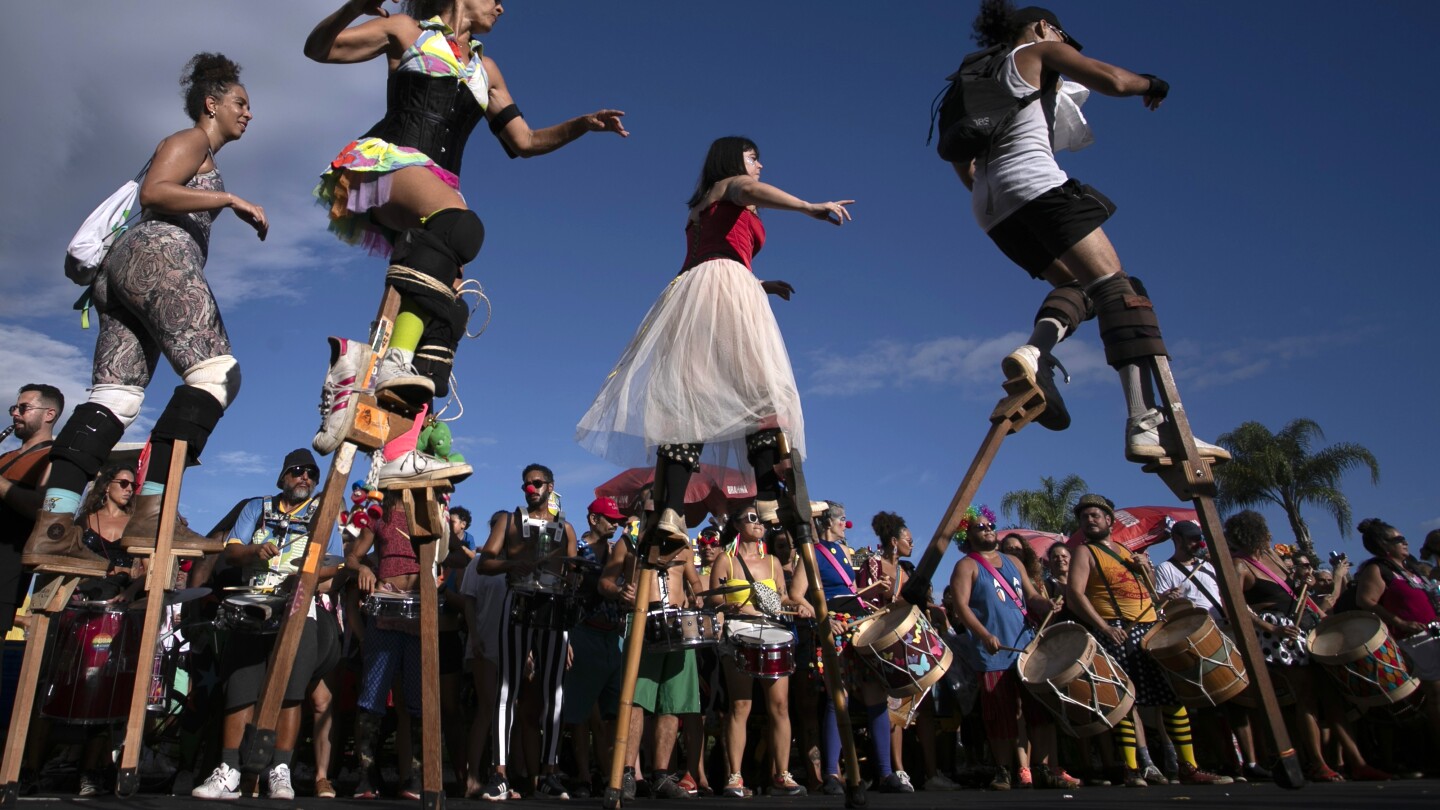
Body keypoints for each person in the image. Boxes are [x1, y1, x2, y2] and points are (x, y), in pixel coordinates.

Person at [304, 0, 628, 454]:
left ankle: (399, 444)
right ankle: (390, 362)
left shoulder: (486, 68)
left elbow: (525, 140)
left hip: (438, 185)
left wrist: (581, 125)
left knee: (450, 306)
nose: (500, 6)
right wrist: (356, 6)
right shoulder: (406, 32)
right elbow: (320, 49)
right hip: (390, 161)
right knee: (461, 226)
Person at [950, 2, 1227, 464]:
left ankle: (1035, 353)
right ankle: (1146, 424)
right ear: (1042, 27)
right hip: (1036, 184)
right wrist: (1154, 83)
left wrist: (993, 190)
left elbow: (963, 161)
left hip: (990, 208)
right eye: (1059, 33)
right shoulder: (1037, 50)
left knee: (1079, 287)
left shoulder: (977, 79)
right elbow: (1112, 79)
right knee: (1121, 291)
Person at [26, 54, 265, 575]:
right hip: (157, 252)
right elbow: (156, 190)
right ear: (212, 103)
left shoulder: (196, 146)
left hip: (121, 274)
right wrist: (231, 199)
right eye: (240, 103)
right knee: (216, 373)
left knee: (115, 397)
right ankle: (154, 512)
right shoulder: (191, 140)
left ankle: (55, 527)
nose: (249, 114)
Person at [576, 135, 852, 546]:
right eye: (753, 157)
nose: (759, 166)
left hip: (698, 289)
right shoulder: (732, 186)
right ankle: (768, 488)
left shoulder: (700, 206)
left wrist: (759, 283)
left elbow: (703, 257)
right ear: (732, 159)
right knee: (761, 389)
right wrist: (809, 207)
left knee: (693, 398)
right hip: (723, 288)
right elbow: (752, 191)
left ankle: (670, 509)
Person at [191, 450, 343, 800]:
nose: (305, 477)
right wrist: (253, 553)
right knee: (240, 688)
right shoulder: (256, 508)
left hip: (297, 607)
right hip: (252, 605)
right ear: (282, 477)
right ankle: (228, 770)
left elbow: (334, 565)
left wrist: (302, 578)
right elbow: (231, 550)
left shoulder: (323, 515)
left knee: (291, 691)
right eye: (297, 471)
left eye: (312, 474)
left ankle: (281, 771)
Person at [1066, 494, 1230, 787]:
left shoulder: (1128, 552)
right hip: (1119, 629)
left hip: (1150, 627)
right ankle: (1131, 769)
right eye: (1084, 517)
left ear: (1109, 521)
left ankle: (1188, 766)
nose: (1089, 520)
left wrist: (1148, 570)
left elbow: (1150, 593)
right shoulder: (1084, 553)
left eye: (1095, 515)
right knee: (1126, 701)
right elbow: (1076, 594)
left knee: (1172, 697)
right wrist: (1104, 626)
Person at [1224, 510, 1386, 782]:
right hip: (1278, 636)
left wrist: (1305, 584)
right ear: (1254, 533)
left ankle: (1356, 761)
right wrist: (1270, 628)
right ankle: (1316, 762)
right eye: (1265, 530)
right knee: (1306, 694)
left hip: (1304, 625)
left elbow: (1293, 587)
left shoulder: (1273, 557)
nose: (1270, 535)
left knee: (1331, 695)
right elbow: (1234, 607)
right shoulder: (1240, 565)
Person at [949, 506, 1078, 790]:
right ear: (967, 535)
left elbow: (1031, 596)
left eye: (989, 524)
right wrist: (984, 635)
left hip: (1026, 648)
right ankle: (1003, 770)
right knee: (1000, 716)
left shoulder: (1013, 562)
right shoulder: (966, 566)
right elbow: (960, 606)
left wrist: (1049, 605)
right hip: (993, 653)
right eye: (980, 527)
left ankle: (1043, 769)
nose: (987, 529)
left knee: (1039, 712)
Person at [475, 464, 579, 800]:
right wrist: (511, 564)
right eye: (526, 485)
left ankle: (550, 772)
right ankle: (500, 774)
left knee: (555, 692)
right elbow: (484, 562)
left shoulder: (566, 528)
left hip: (553, 606)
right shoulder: (509, 520)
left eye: (536, 483)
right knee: (507, 688)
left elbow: (574, 577)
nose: (530, 489)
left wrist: (570, 634)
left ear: (551, 486)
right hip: (518, 599)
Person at [602, 498, 707, 800]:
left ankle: (661, 775)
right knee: (636, 700)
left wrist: (699, 598)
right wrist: (621, 590)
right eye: (650, 509)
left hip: (678, 625)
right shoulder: (629, 544)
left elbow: (695, 584)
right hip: (642, 622)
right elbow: (605, 582)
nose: (656, 514)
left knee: (672, 702)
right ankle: (624, 772)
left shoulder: (684, 547)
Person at [706, 504, 812, 798]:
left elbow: (782, 599)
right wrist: (727, 605)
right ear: (738, 525)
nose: (758, 524)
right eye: (751, 519)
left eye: (760, 519)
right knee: (741, 706)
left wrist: (799, 606)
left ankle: (782, 774)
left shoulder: (773, 562)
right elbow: (712, 599)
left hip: (773, 631)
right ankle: (735, 776)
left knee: (780, 706)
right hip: (738, 633)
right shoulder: (726, 561)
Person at [803, 501, 903, 795]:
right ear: (827, 523)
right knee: (839, 697)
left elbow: (851, 592)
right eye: (841, 519)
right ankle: (832, 774)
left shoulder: (846, 553)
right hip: (834, 628)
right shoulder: (810, 555)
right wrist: (824, 621)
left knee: (876, 693)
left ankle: (885, 773)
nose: (845, 525)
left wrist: (877, 588)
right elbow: (797, 595)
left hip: (858, 627)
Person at [863, 512, 957, 791]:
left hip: (914, 643)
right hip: (888, 644)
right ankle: (898, 770)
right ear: (894, 541)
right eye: (908, 540)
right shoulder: (873, 565)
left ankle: (931, 773)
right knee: (896, 711)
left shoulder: (908, 571)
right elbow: (866, 602)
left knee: (923, 709)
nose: (912, 545)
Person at [346, 489, 430, 799]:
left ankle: (417, 777)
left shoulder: (427, 514)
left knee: (418, 698)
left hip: (420, 613)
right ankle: (366, 776)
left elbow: (445, 554)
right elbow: (352, 557)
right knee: (372, 696)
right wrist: (365, 568)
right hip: (384, 611)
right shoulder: (378, 516)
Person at [561, 497, 627, 798]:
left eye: (616, 519)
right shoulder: (577, 551)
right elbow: (566, 593)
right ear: (592, 519)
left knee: (609, 714)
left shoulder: (619, 553)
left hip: (612, 637)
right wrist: (566, 637)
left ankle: (608, 774)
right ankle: (584, 776)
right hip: (582, 632)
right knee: (580, 714)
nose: (614, 524)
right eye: (609, 519)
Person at [1353, 518, 1440, 743]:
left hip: (1433, 633)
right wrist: (1400, 622)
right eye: (1398, 539)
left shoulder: (1412, 569)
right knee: (1436, 693)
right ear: (1384, 544)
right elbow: (1366, 601)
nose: (1405, 542)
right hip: (1412, 638)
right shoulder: (1377, 569)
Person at [1, 384, 62, 633]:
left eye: (23, 408)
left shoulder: (54, 457)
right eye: (14, 407)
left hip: (5, 571)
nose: (15, 413)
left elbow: (40, 508)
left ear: (49, 414)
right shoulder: (6, 457)